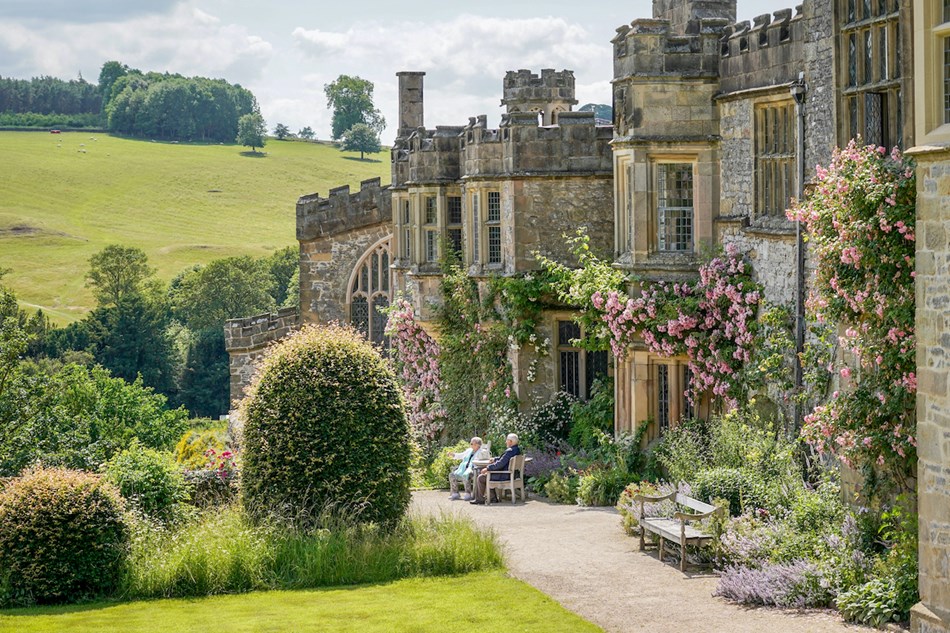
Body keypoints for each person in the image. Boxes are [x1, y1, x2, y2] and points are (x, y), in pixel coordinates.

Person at [471, 433, 521, 505]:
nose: (505, 442)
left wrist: (488, 468)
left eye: (507, 440)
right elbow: (504, 459)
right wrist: (495, 459)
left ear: (510, 441)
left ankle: (481, 499)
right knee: (483, 473)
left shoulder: (509, 451)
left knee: (481, 477)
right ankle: (492, 498)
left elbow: (500, 464)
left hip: (504, 475)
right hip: (510, 474)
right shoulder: (516, 450)